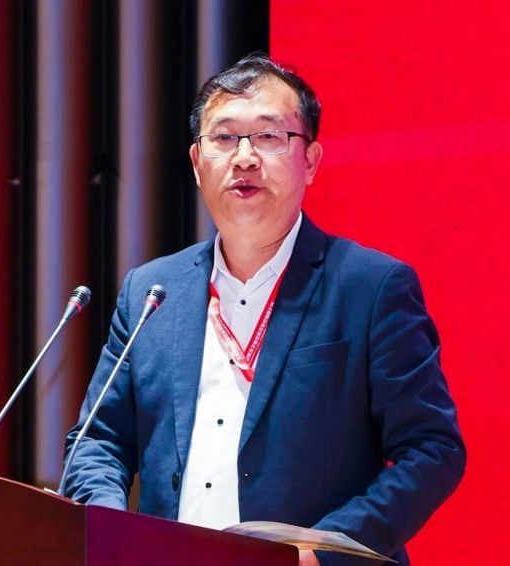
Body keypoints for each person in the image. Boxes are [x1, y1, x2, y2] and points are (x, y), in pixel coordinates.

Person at [63, 52, 465, 566]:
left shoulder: (371, 287)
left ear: (310, 161)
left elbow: (431, 450)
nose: (245, 158)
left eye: (270, 136)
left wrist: (324, 551)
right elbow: (97, 440)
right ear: (197, 162)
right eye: (225, 138)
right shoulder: (152, 291)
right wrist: (109, 531)